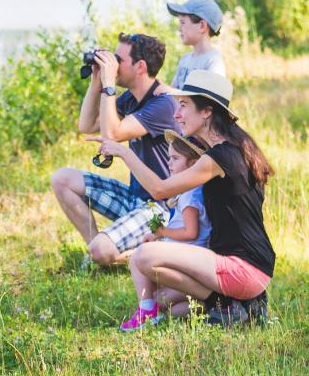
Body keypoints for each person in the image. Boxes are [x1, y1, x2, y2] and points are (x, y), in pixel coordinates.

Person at [93, 70, 274, 326]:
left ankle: (225, 306)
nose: (176, 114)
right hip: (253, 266)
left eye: (184, 106)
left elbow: (159, 190)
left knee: (144, 255)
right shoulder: (234, 148)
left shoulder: (219, 158)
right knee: (169, 303)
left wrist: (124, 152)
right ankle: (241, 305)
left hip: (241, 268)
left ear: (207, 111)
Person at [51, 33, 181, 267]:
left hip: (162, 208)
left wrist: (109, 86)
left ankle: (135, 253)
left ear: (140, 67)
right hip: (136, 198)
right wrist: (96, 82)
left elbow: (113, 134)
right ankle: (98, 254)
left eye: (118, 59)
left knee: (101, 250)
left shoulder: (163, 103)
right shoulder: (131, 98)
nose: (112, 64)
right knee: (62, 179)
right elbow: (87, 125)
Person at [119, 130, 211, 331]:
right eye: (169, 157)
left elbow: (190, 232)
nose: (169, 163)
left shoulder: (190, 195)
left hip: (190, 259)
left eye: (175, 158)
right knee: (166, 305)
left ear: (193, 164)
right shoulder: (190, 190)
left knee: (137, 258)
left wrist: (162, 232)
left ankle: (146, 311)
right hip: (187, 257)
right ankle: (198, 307)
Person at [156, 0, 226, 95]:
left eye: (183, 22)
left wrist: (171, 91)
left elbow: (209, 99)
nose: (179, 28)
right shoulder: (185, 59)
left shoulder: (213, 61)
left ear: (202, 26)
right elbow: (173, 91)